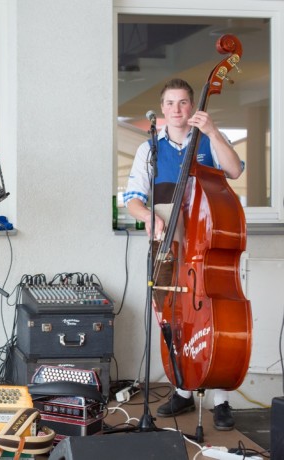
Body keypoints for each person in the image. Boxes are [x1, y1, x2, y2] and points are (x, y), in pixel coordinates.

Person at [124, 78, 244, 431]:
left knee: (214, 317)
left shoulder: (210, 140)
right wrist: (148, 217)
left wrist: (214, 132)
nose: (177, 109)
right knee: (171, 315)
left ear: (193, 106)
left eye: (183, 102)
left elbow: (235, 170)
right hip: (167, 243)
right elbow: (132, 199)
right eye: (170, 103)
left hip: (206, 245)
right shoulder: (150, 148)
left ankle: (221, 400)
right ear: (162, 108)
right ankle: (182, 389)